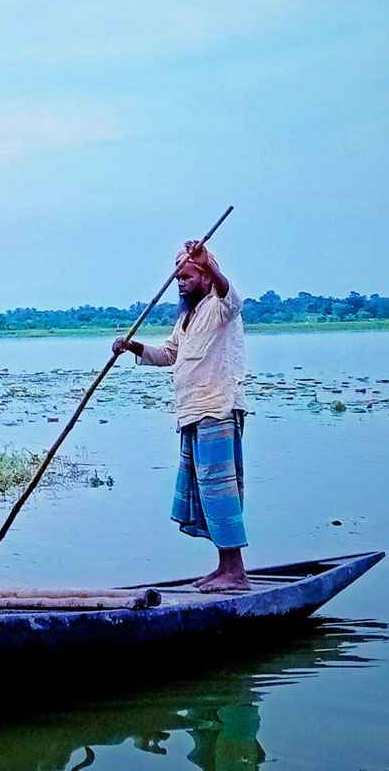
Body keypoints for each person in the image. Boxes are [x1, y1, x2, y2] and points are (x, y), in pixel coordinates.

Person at [114, 240, 251, 591]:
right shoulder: (187, 318)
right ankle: (224, 568)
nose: (181, 283)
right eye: (177, 278)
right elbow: (169, 354)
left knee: (221, 492)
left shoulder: (221, 307)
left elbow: (232, 295)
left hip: (217, 408)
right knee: (205, 492)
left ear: (204, 276)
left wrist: (210, 264)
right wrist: (133, 346)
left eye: (187, 276)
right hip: (192, 412)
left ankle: (235, 572)